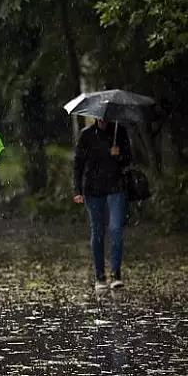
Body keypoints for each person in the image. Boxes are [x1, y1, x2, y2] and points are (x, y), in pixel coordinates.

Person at [73, 118, 132, 291]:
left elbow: (128, 159)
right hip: (93, 189)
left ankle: (116, 274)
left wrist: (118, 154)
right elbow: (78, 163)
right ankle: (99, 276)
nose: (103, 119)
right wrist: (77, 189)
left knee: (115, 228)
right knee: (97, 230)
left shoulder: (119, 132)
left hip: (116, 187)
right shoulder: (86, 135)